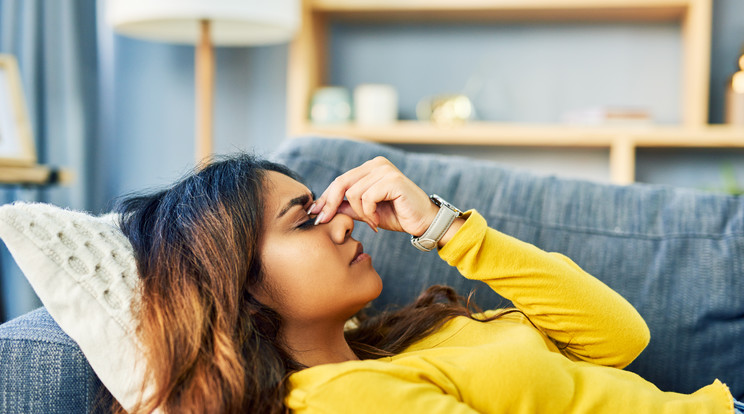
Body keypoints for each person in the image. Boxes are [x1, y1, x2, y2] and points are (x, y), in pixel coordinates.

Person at [115, 153, 743, 413]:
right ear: (239, 285)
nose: (340, 224)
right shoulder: (339, 399)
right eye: (305, 221)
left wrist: (446, 228)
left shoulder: (396, 342)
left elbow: (619, 339)